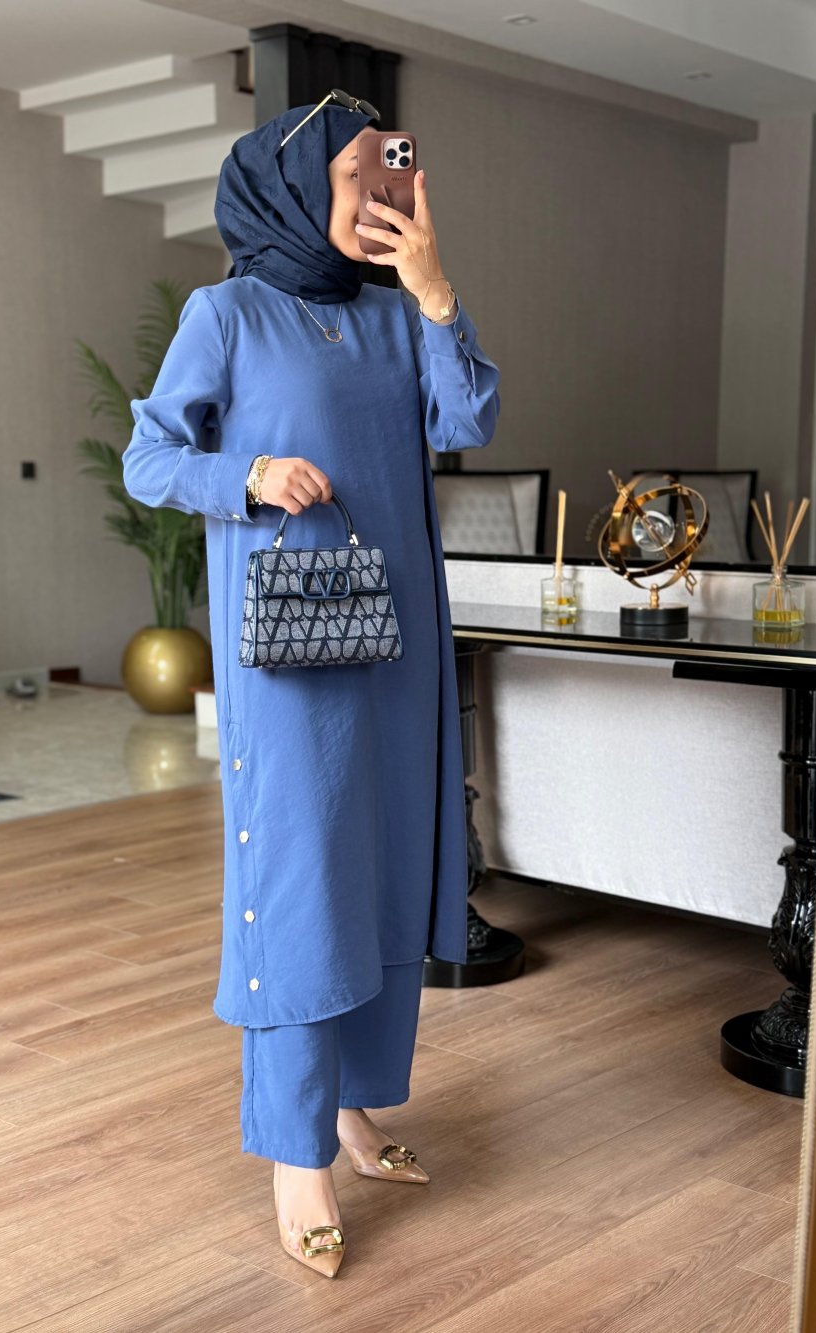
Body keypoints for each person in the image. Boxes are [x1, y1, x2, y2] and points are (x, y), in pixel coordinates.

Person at [121, 92, 501, 1279]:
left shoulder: (394, 316)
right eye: (355, 173)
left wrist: (434, 292)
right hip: (289, 654)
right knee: (301, 884)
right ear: (290, 185)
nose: (380, 192)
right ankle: (296, 1150)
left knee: (385, 872)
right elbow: (149, 457)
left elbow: (468, 418)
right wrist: (247, 475)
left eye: (393, 170)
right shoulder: (226, 313)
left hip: (400, 641)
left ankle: (349, 1105)